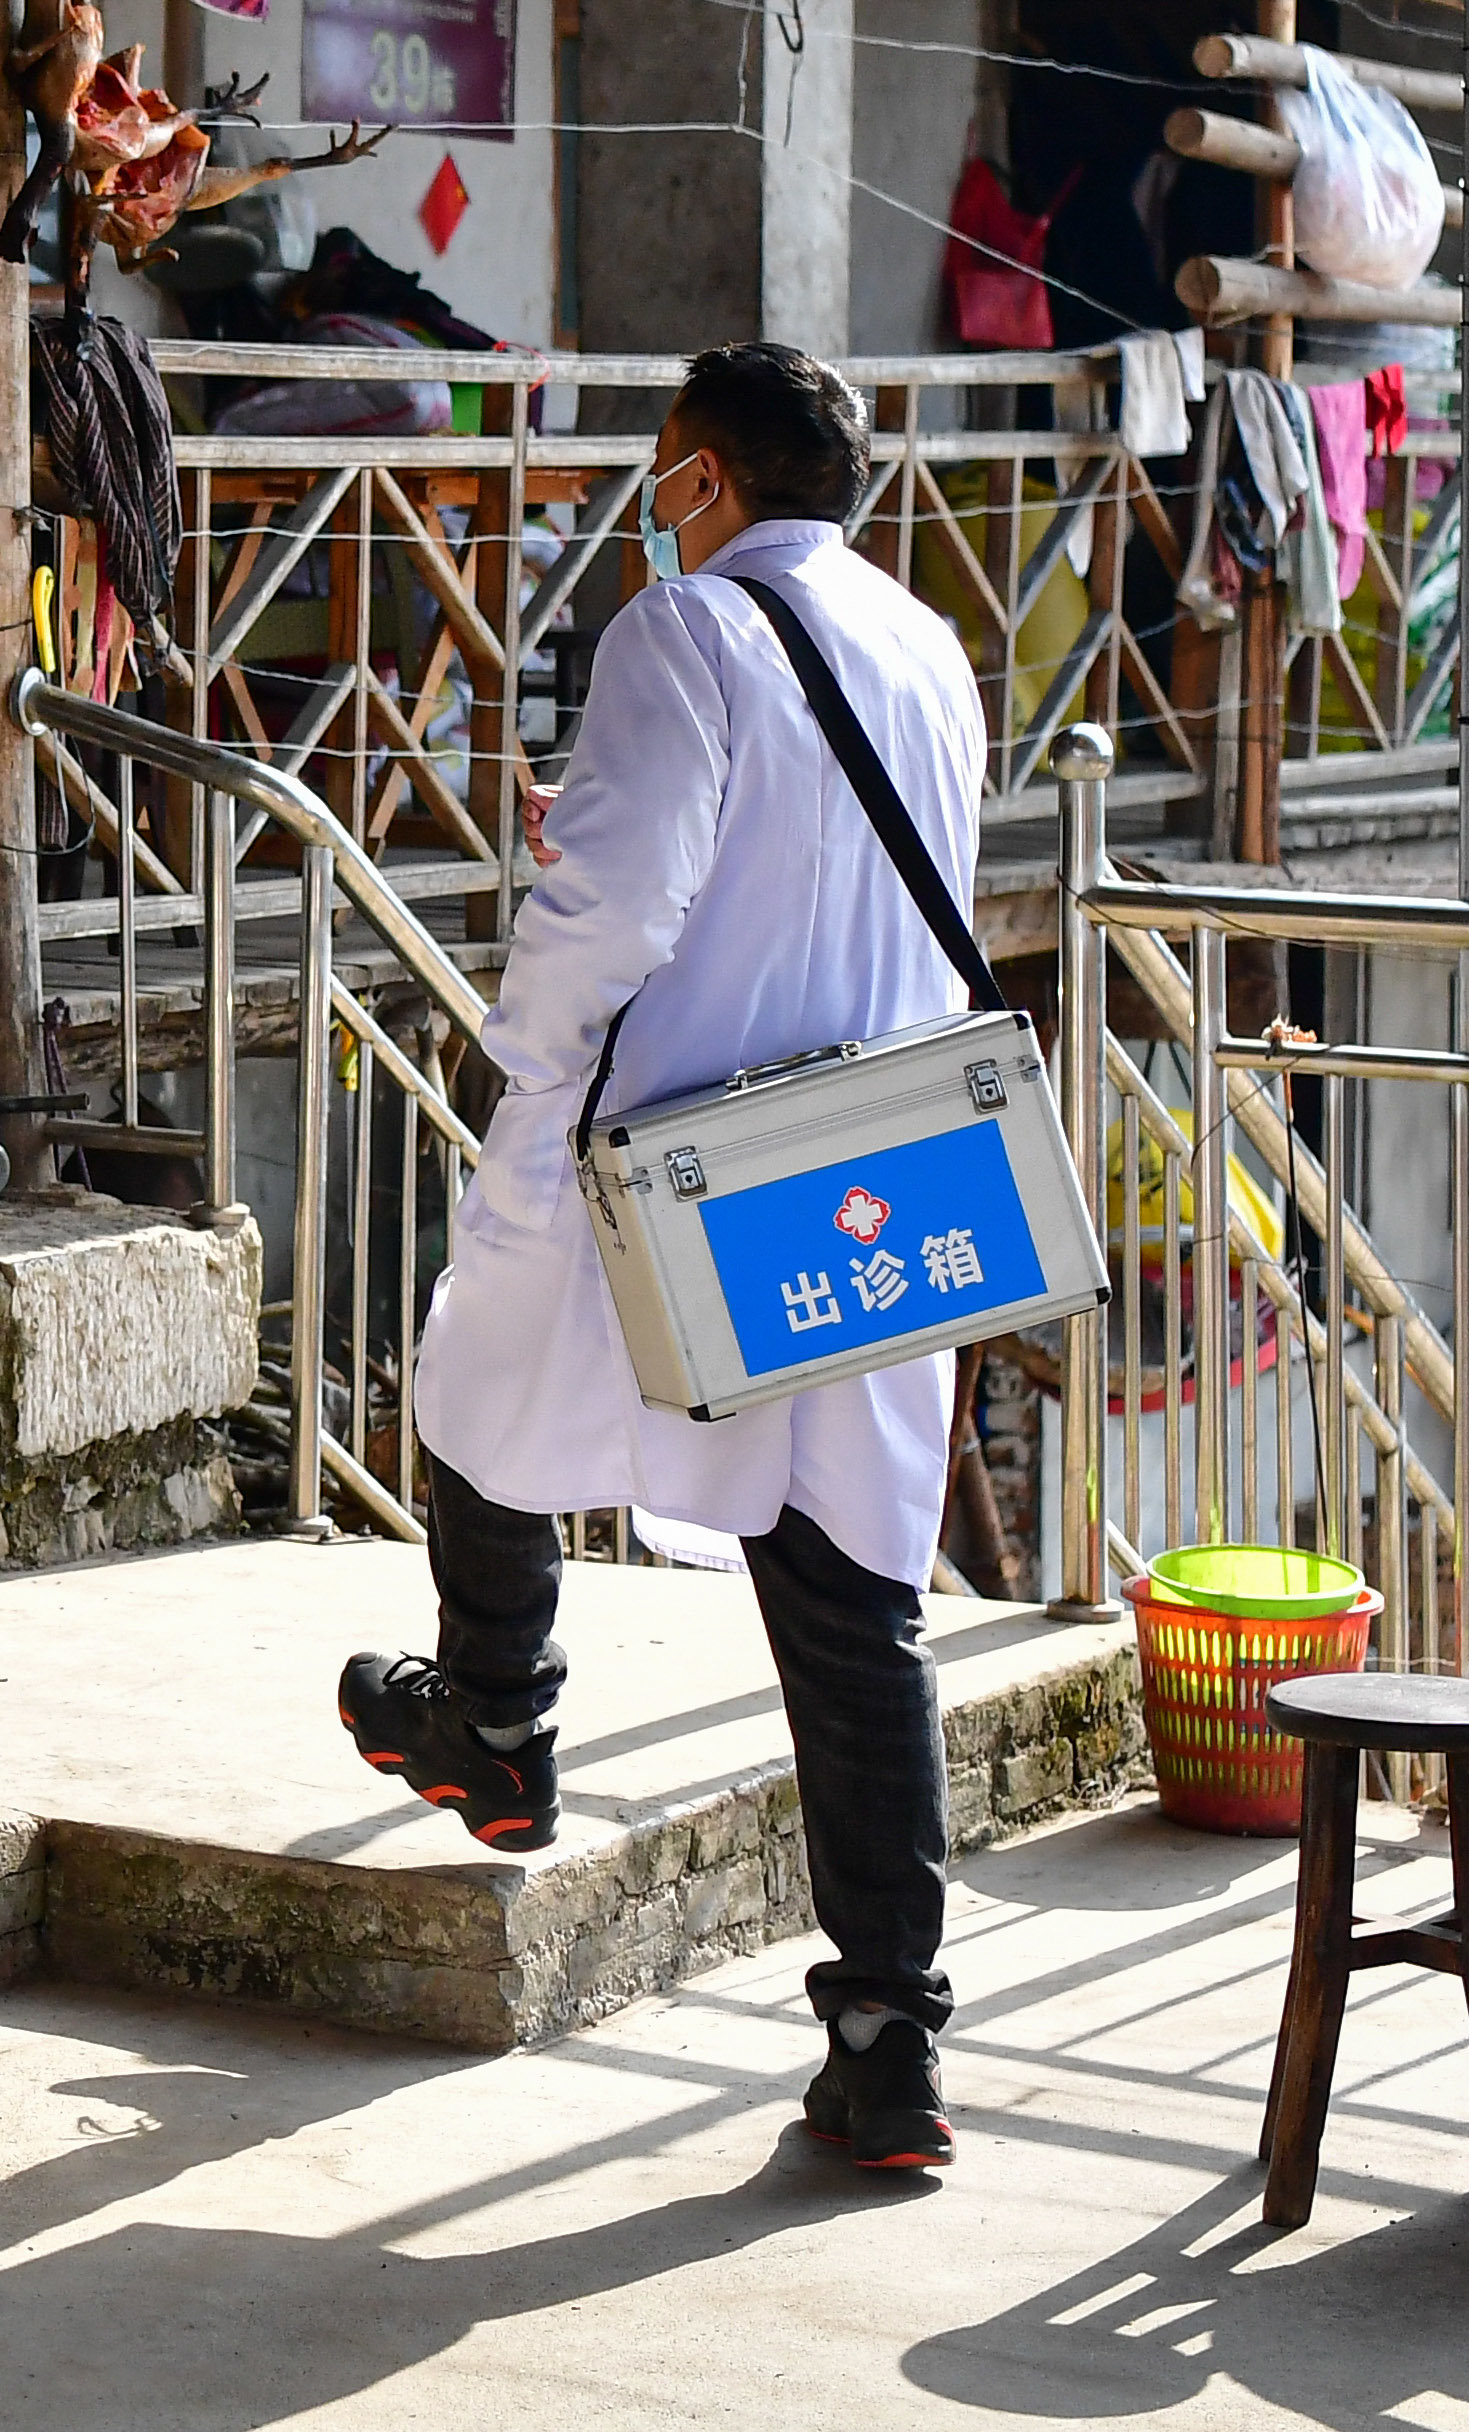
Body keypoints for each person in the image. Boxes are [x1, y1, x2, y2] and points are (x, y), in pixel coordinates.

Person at [334, 340, 986, 2172]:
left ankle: (495, 1718)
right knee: (850, 1583)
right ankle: (889, 2038)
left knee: (476, 1379)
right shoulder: (928, 643)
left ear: (700, 474)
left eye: (662, 472)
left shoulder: (682, 628)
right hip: (875, 1145)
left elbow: (614, 893)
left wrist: (531, 1062)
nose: (655, 503)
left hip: (674, 1141)